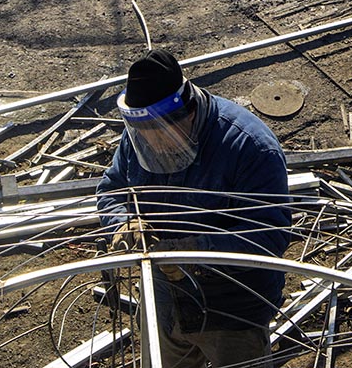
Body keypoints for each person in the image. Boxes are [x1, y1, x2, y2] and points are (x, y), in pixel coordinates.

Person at [96, 49, 291, 367]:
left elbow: (270, 238)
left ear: (187, 113)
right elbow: (112, 189)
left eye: (162, 134)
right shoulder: (141, 134)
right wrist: (122, 223)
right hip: (164, 298)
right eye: (144, 135)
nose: (154, 144)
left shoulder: (249, 147)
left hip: (231, 309)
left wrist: (196, 254)